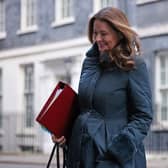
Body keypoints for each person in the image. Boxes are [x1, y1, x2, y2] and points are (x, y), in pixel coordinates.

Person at [52, 7, 153, 168]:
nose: (97, 38)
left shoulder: (134, 65)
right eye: (95, 33)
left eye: (103, 33)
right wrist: (64, 131)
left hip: (114, 159)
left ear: (119, 33)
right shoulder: (89, 63)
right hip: (81, 156)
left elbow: (143, 116)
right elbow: (85, 107)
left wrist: (117, 152)